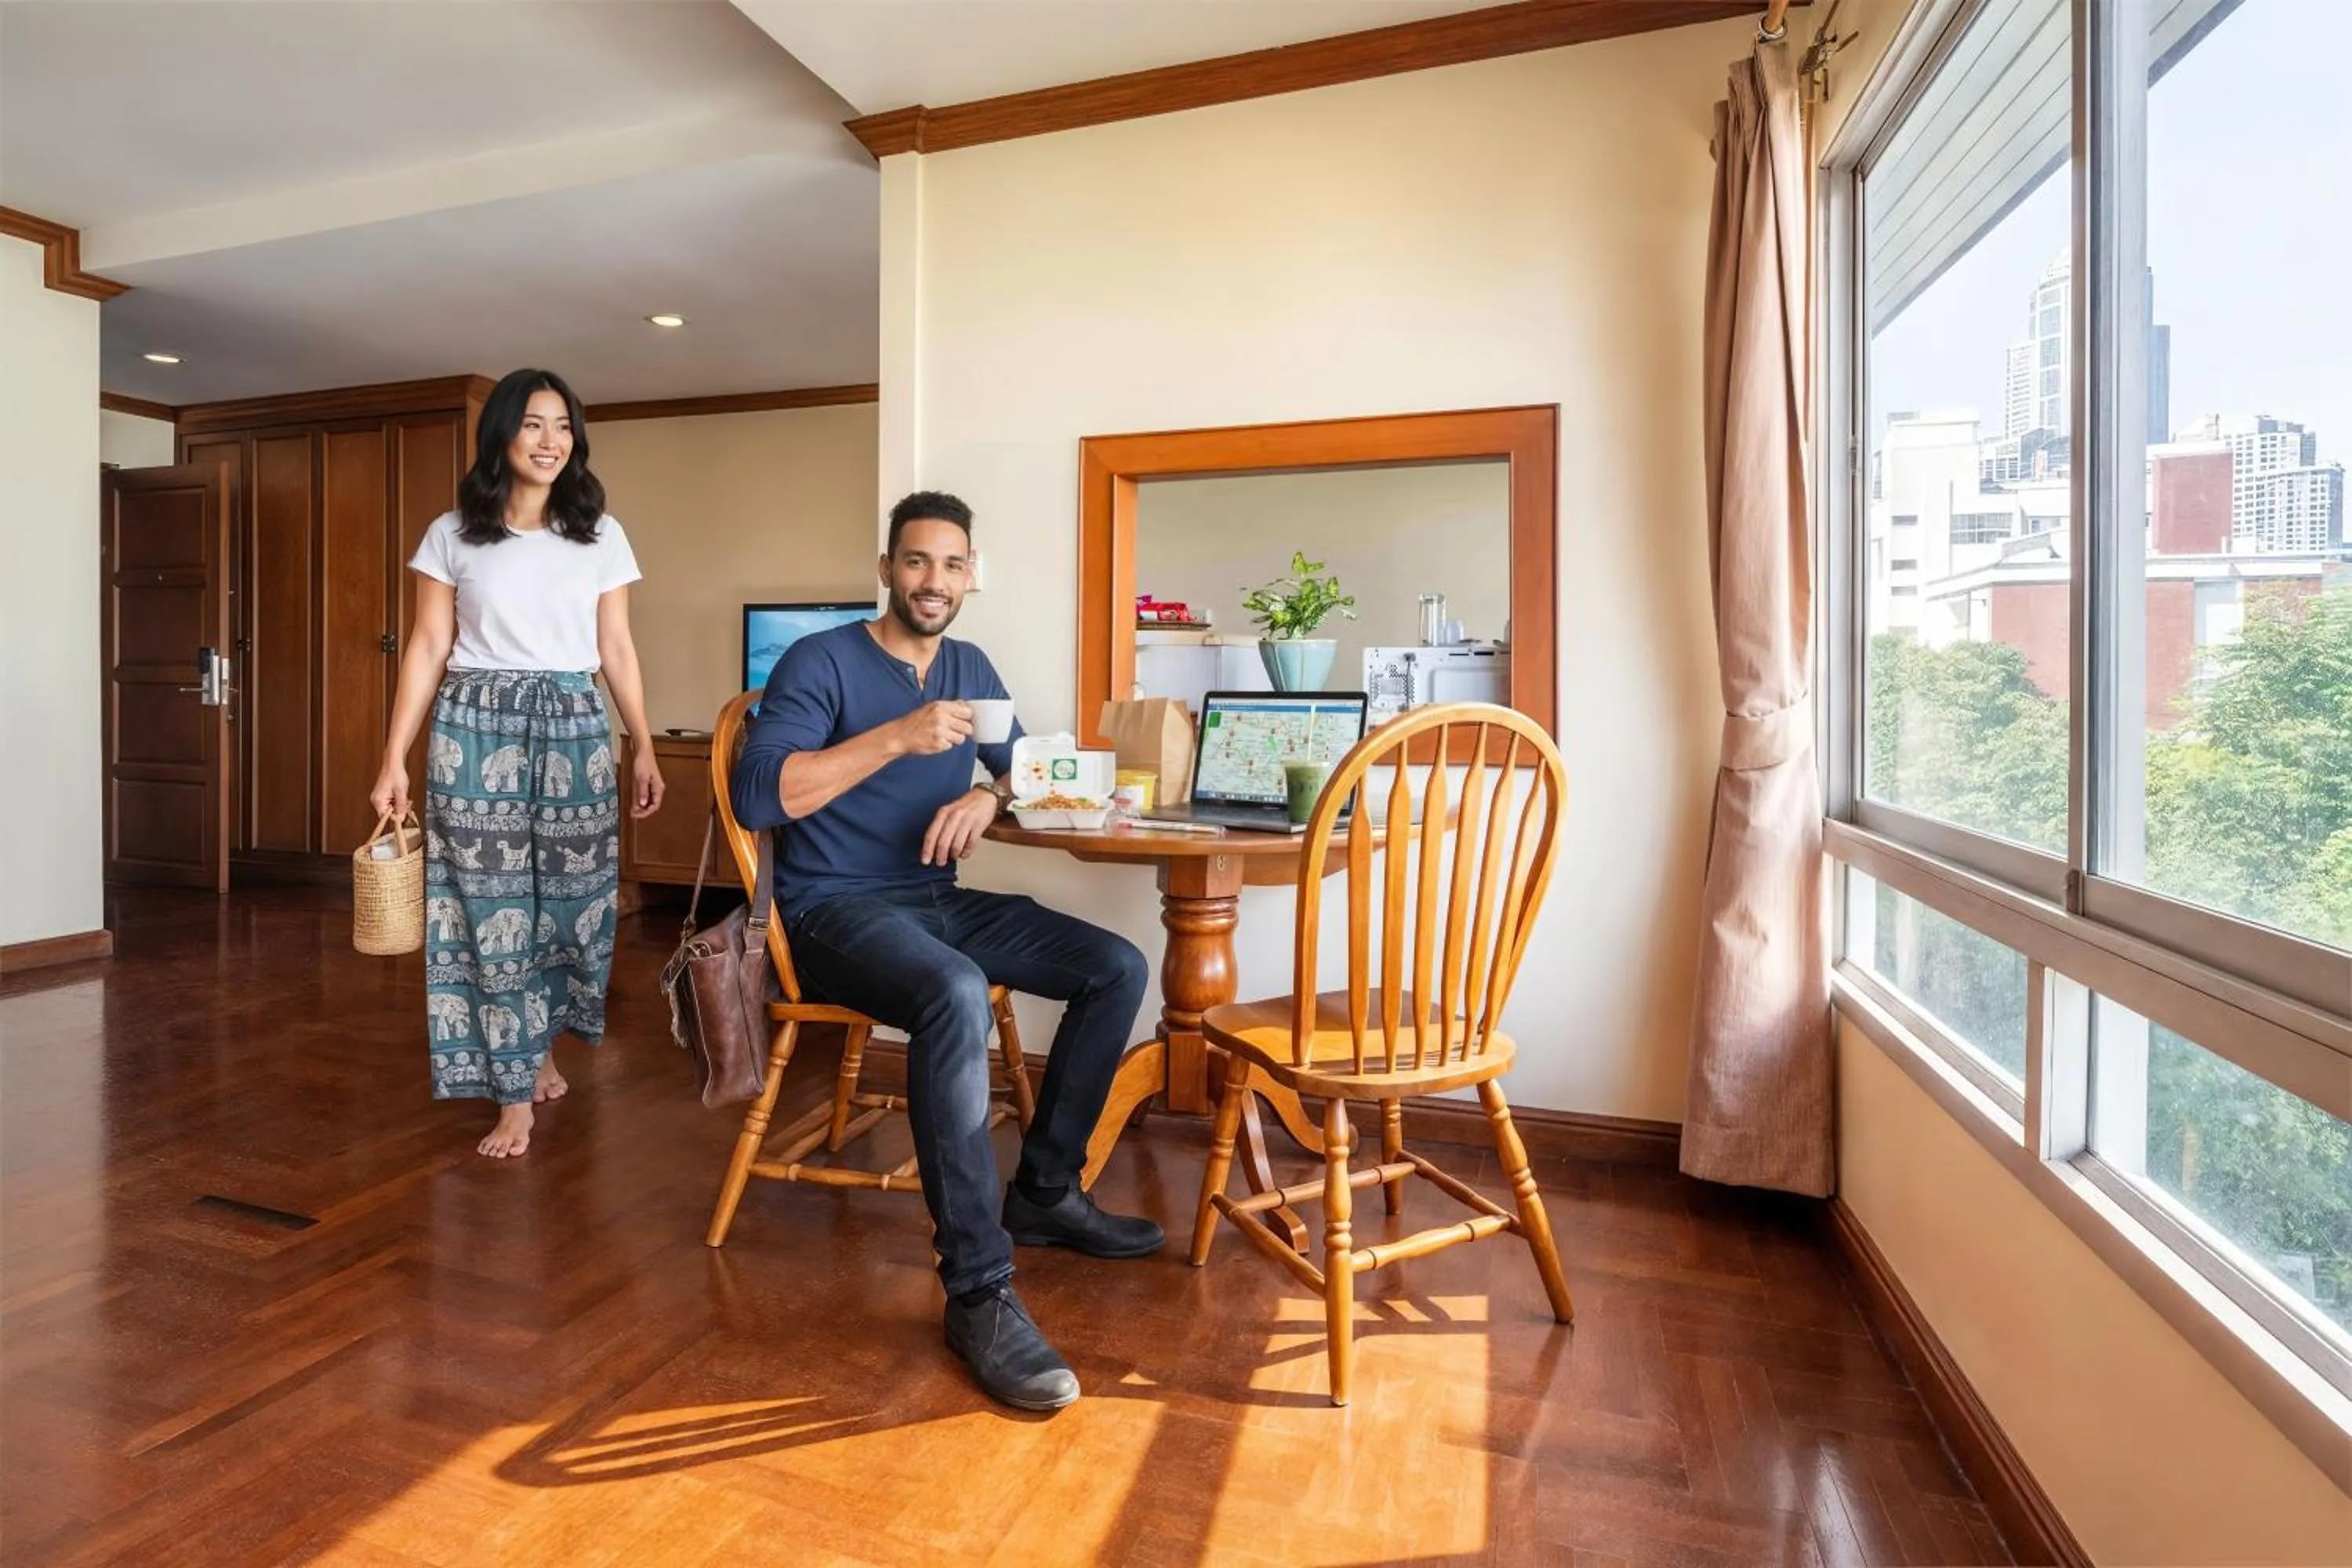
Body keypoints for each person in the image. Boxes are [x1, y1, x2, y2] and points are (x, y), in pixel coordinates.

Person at [731, 491, 1158, 1412]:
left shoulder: (970, 666)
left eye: (953, 564)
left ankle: (1045, 1190)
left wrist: (988, 796)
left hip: (935, 899)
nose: (935, 580)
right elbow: (759, 794)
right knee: (956, 991)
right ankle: (977, 1289)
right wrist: (896, 737)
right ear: (887, 569)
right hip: (831, 910)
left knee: (1115, 965)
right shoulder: (821, 660)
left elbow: (1024, 771)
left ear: (970, 576)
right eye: (918, 560)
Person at [370, 368, 665, 1160]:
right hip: (474, 724)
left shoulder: (600, 534)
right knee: (484, 905)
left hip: (574, 721)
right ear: (502, 433)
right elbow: (428, 646)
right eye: (534, 424)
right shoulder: (452, 533)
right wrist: (394, 756)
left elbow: (616, 647)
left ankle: (536, 1048)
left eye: (563, 426)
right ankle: (510, 1094)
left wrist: (642, 741)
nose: (550, 440)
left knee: (573, 905)